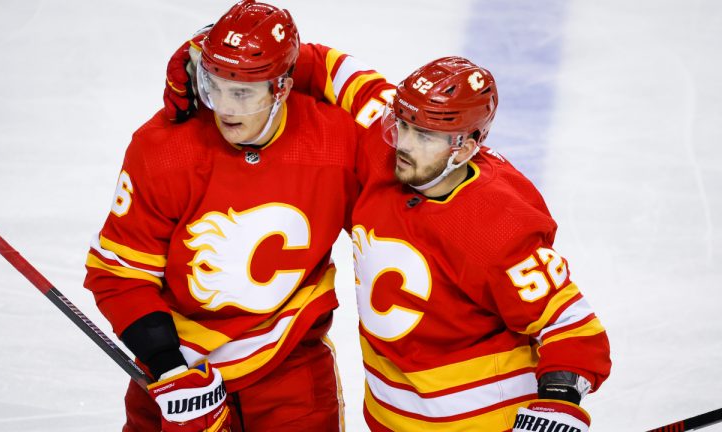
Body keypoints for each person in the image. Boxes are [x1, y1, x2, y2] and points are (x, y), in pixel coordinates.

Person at [163, 29, 612, 432]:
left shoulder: (496, 223)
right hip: (391, 420)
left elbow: (572, 329)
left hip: (484, 422)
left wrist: (558, 403)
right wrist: (216, 54)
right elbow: (328, 68)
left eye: (425, 137)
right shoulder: (384, 145)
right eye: (403, 126)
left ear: (466, 147)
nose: (404, 145)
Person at [83, 1, 379, 430]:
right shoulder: (163, 149)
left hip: (290, 371)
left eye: (241, 93)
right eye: (214, 86)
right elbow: (120, 274)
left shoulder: (336, 142)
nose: (223, 107)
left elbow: (400, 218)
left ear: (281, 88)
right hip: (178, 374)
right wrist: (167, 365)